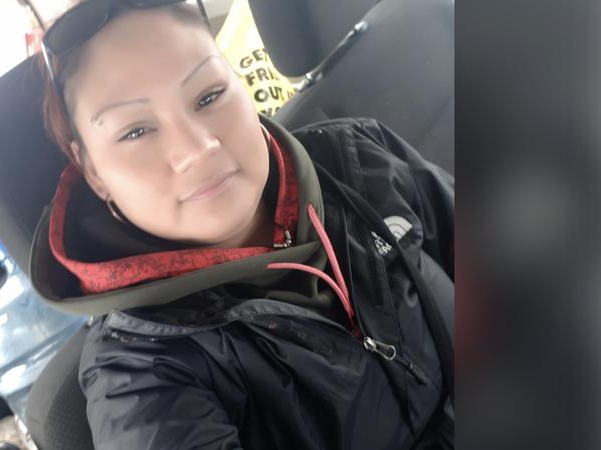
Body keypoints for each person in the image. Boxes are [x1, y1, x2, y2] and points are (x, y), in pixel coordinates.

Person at [28, 0, 455, 448]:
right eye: (135, 131)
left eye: (208, 96)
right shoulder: (140, 376)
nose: (198, 148)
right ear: (92, 171)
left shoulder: (355, 157)